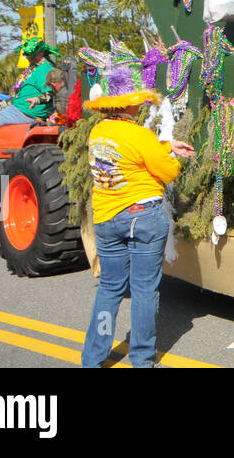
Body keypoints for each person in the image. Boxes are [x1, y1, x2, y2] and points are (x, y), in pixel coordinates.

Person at [80, 87, 195, 368]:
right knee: (144, 289)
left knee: (109, 288)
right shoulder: (139, 134)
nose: (141, 106)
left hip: (106, 218)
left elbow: (126, 153)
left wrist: (167, 145)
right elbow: (167, 171)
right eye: (137, 103)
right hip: (142, 216)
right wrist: (170, 156)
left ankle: (93, 358)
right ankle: (142, 359)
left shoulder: (98, 132)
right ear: (127, 107)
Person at [0, 38, 60, 178]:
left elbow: (53, 91)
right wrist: (0, 106)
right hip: (19, 107)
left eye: (32, 54)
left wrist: (36, 100)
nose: (29, 57)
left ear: (42, 52)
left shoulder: (44, 70)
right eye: (27, 55)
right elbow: (17, 98)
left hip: (26, 111)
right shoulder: (32, 69)